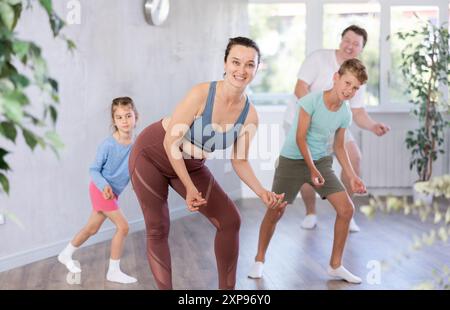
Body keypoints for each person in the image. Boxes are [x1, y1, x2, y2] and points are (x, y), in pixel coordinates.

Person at [128, 37, 287, 290]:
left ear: (257, 69)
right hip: (152, 153)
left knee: (230, 221)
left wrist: (262, 193)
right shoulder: (202, 93)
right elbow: (171, 142)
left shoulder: (250, 115)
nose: (241, 70)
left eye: (249, 65)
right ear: (225, 63)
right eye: (236, 62)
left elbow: (240, 160)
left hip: (190, 164)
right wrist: (190, 188)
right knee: (158, 227)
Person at [248, 59, 368, 283]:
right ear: (336, 77)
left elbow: (339, 146)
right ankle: (259, 259)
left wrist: (352, 176)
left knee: (346, 209)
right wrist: (311, 169)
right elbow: (300, 138)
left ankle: (335, 266)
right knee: (276, 211)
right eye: (347, 83)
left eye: (355, 88)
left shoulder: (345, 113)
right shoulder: (310, 101)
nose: (349, 90)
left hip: (321, 162)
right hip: (292, 161)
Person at [284, 25, 390, 232]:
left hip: (332, 121)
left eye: (356, 44)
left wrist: (373, 125)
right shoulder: (319, 59)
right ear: (341, 40)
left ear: (361, 48)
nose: (350, 46)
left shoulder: (358, 74)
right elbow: (300, 88)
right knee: (306, 168)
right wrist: (318, 116)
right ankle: (310, 213)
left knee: (355, 157)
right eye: (347, 40)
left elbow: (358, 112)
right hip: (304, 118)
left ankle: (346, 213)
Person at [58, 97, 138, 284]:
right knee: (123, 227)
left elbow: (133, 168)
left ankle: (65, 253)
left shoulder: (136, 145)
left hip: (113, 194)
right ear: (114, 121)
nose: (125, 121)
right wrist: (104, 186)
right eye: (119, 117)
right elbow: (94, 169)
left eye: (128, 115)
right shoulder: (108, 145)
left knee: (92, 228)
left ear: (136, 117)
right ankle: (113, 271)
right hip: (100, 189)